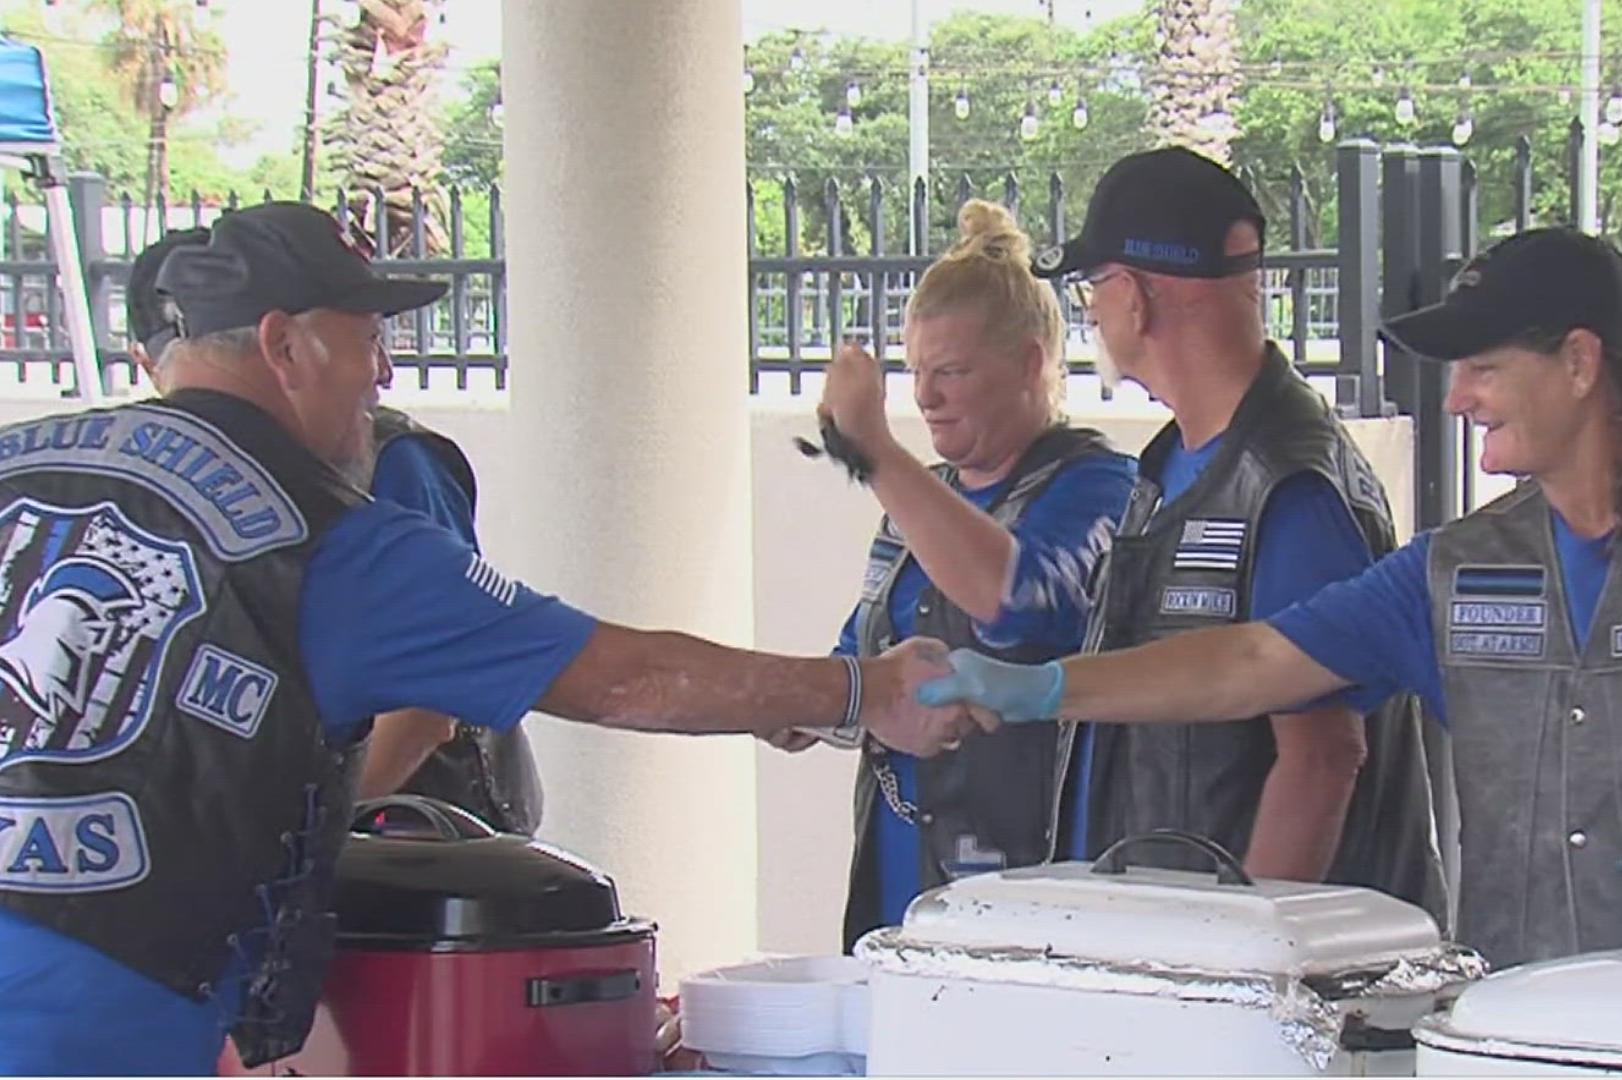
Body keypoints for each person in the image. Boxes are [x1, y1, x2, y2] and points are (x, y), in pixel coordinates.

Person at [0, 201, 981, 1076]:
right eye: (368, 338)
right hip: (94, 1024)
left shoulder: (23, 464)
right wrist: (866, 692)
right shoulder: (323, 539)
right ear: (284, 347)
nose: (383, 373)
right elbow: (618, 677)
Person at [921, 225, 1622, 971]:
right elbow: (1253, 660)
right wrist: (1050, 686)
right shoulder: (1457, 566)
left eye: (1483, 368)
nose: (1455, 398)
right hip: (1541, 1023)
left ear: (1578, 364)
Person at [1019, 146, 1444, 912]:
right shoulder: (1170, 465)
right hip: (1160, 934)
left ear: (1138, 297)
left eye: (1095, 287)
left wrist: (1237, 959)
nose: (1091, 312)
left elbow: (1322, 760)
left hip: (1242, 973)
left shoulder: (1292, 485)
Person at [782, 200, 1136, 948]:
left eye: (951, 371)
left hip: (1032, 895)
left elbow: (1015, 604)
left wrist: (876, 451)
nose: (925, 398)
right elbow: (856, 660)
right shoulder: (918, 498)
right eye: (915, 372)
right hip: (900, 880)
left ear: (1031, 363)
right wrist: (777, 704)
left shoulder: (1102, 486)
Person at [127, 227, 544, 833]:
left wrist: (288, 839)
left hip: (416, 836)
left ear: (278, 347)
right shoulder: (136, 482)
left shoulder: (390, 460)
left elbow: (429, 702)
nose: (384, 371)